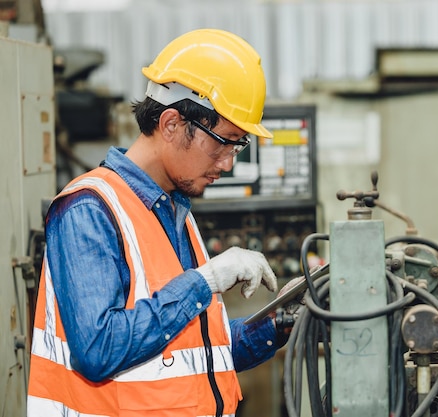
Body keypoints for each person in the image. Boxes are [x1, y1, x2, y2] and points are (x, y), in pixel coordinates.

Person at [27, 28, 287, 417]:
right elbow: (98, 350)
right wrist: (203, 282)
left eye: (238, 146)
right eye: (222, 142)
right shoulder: (90, 210)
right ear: (170, 124)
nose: (228, 163)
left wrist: (282, 319)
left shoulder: (176, 213)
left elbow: (198, 353)